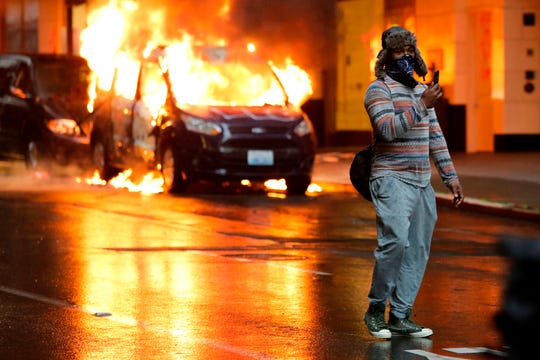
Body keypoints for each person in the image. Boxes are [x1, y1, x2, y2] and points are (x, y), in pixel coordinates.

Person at [363, 26, 464, 339]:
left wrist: (450, 177)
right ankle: (376, 310)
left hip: (421, 182)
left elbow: (435, 137)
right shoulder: (378, 90)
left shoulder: (422, 92)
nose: (405, 56)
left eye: (409, 50)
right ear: (386, 55)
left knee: (418, 248)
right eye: (398, 51)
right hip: (390, 178)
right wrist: (423, 105)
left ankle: (401, 315)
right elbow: (388, 130)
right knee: (394, 242)